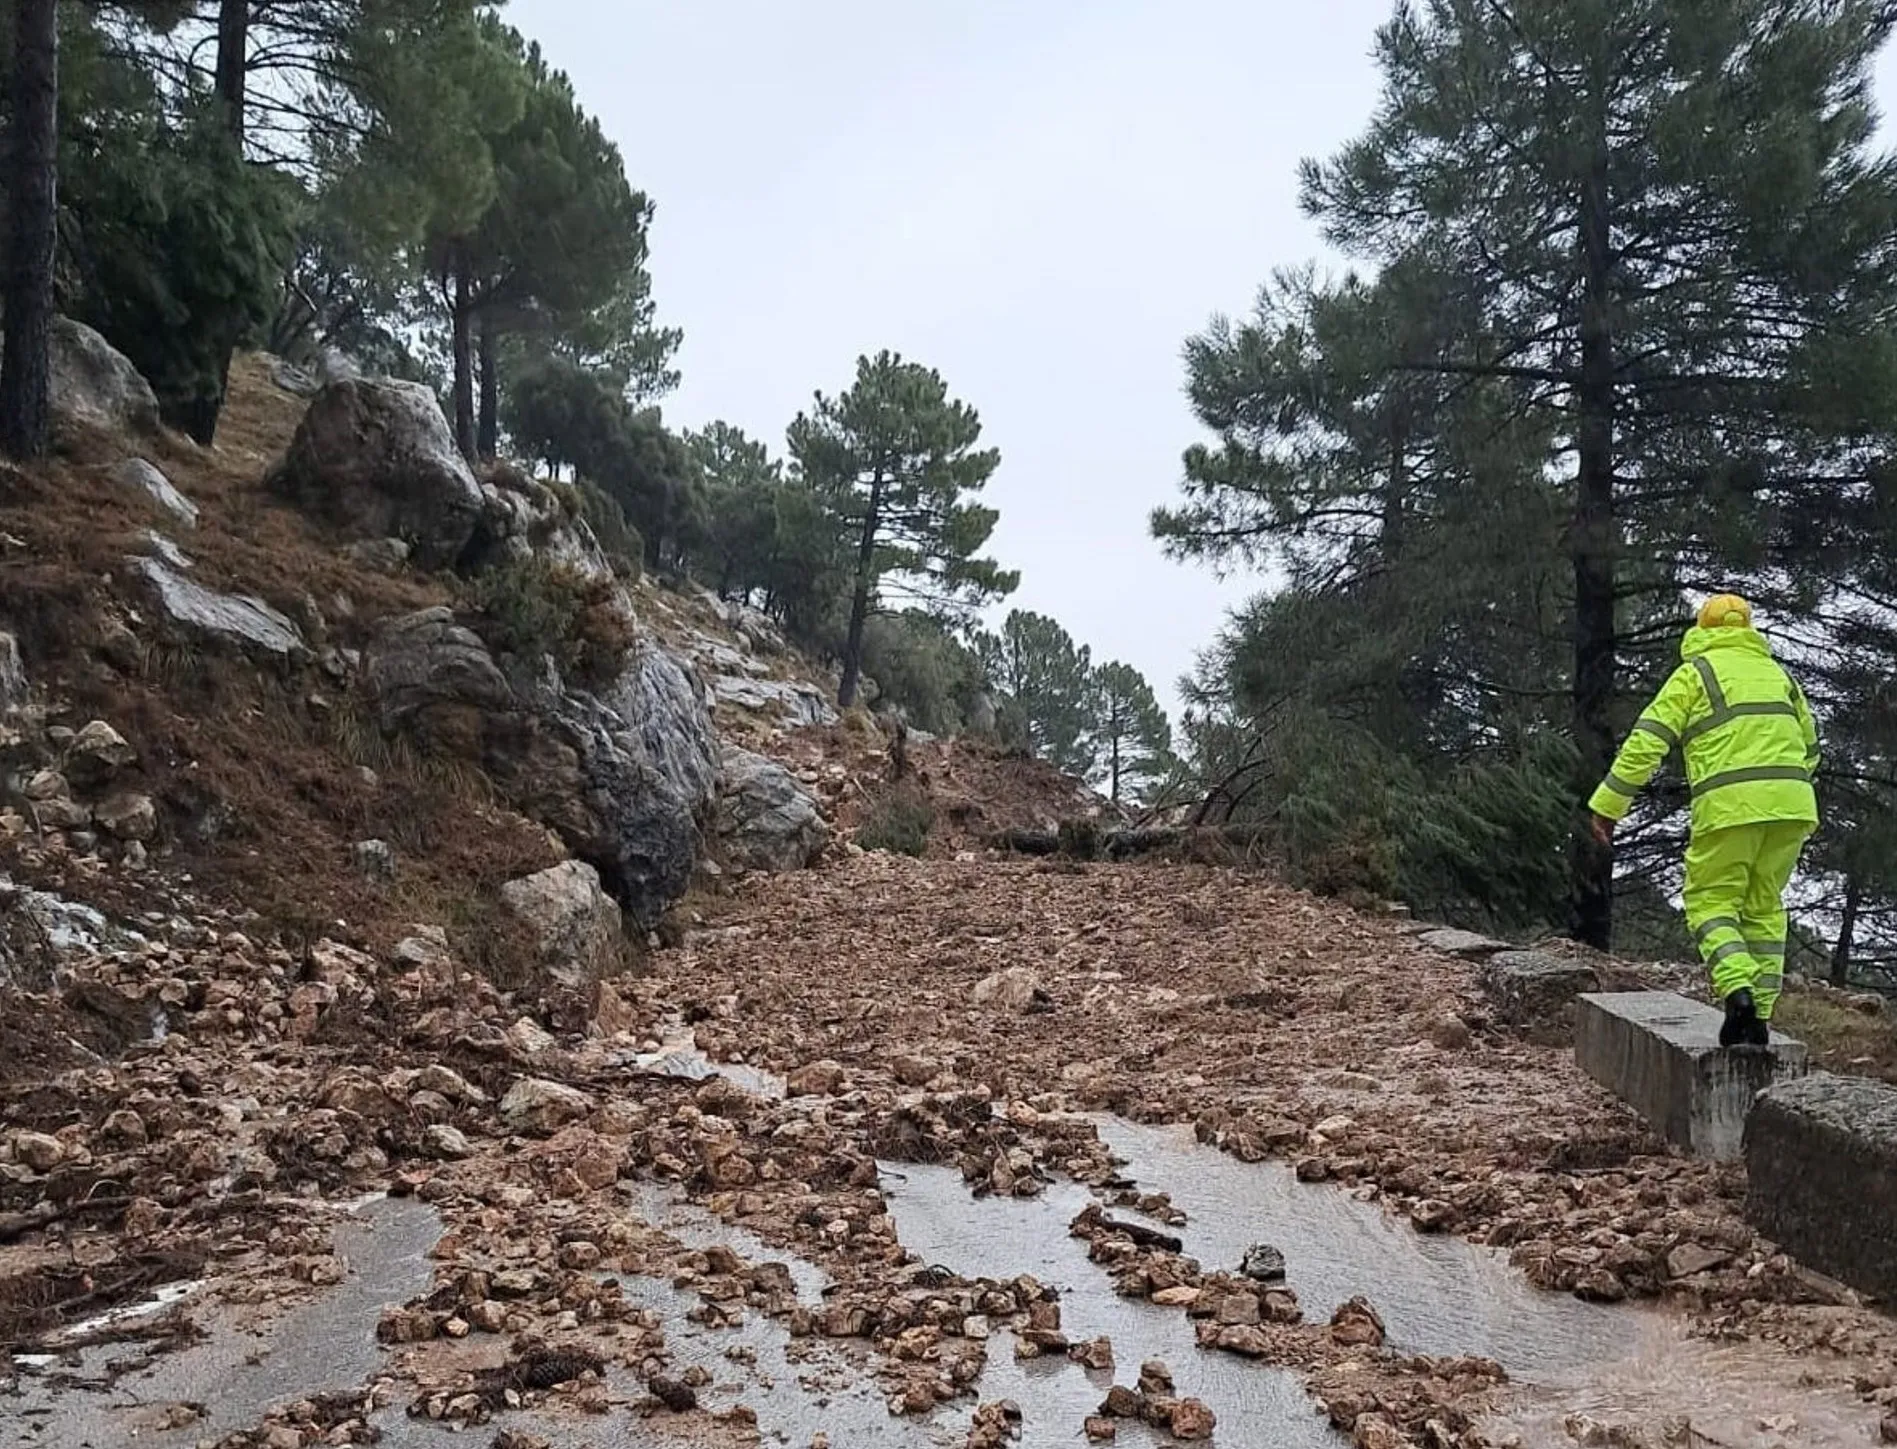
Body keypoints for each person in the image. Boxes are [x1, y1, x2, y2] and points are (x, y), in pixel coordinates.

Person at [1587, 594, 1820, 1047]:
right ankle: (1760, 1020)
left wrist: (1609, 806)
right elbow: (1811, 748)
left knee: (1710, 901)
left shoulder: (1695, 673)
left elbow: (1646, 743)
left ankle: (1738, 995)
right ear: (1747, 629)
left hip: (1730, 809)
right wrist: (1781, 791)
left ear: (1703, 629)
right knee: (1764, 908)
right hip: (1793, 806)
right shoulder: (1781, 676)